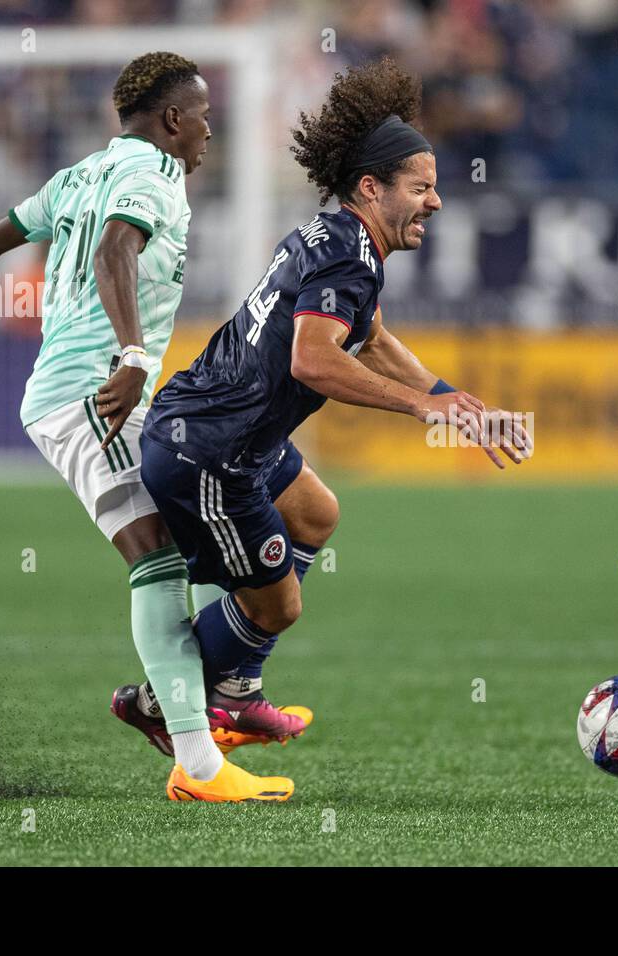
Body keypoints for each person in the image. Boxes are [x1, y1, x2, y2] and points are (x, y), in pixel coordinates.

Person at [115, 57, 530, 799]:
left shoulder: (338, 235)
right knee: (280, 604)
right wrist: (421, 409)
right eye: (422, 187)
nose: (435, 202)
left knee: (316, 510)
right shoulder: (352, 255)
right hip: (211, 451)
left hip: (224, 428)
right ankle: (163, 703)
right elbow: (313, 360)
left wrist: (450, 395)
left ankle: (233, 691)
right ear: (373, 188)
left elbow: (367, 338)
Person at [0, 52, 302, 803]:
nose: (211, 128)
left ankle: (190, 707)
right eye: (204, 114)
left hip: (95, 390)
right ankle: (198, 760)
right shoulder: (151, 176)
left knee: (177, 545)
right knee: (157, 559)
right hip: (93, 392)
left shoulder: (81, 173)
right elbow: (117, 249)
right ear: (172, 118)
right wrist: (133, 357)